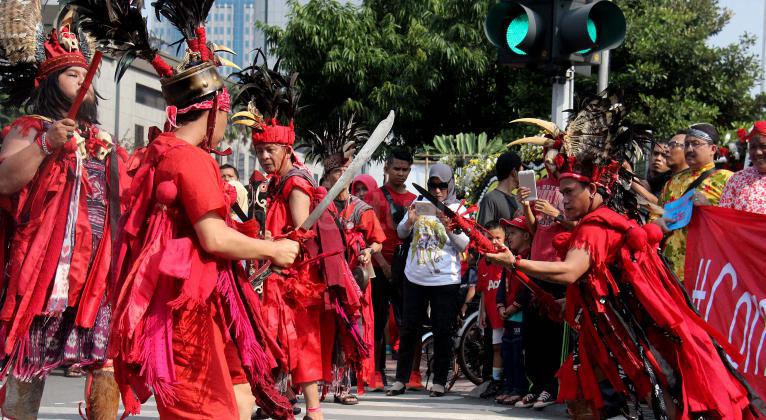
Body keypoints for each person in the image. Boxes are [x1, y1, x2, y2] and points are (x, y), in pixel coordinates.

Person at [489, 95, 756, 419]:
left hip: (634, 325)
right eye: (562, 192)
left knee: (658, 390)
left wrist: (514, 263)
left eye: (570, 192)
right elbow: (632, 247)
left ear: (593, 190)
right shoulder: (608, 219)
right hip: (619, 325)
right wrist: (565, 301)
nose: (564, 199)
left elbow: (570, 271)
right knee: (637, 391)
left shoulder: (595, 226)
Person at [100, 5, 296, 419]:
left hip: (180, 299)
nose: (226, 127)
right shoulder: (190, 159)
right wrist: (273, 250)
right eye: (225, 115)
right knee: (204, 411)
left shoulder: (160, 150)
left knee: (223, 398)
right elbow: (213, 237)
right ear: (214, 111)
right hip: (186, 305)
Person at [0, 15, 125, 418]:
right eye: (72, 74)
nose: (82, 81)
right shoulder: (31, 127)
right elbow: (4, 180)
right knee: (29, 362)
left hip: (97, 272)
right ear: (50, 82)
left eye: (85, 74)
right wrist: (46, 144)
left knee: (106, 362)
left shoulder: (103, 140)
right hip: (46, 270)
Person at [233, 59, 365, 420]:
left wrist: (277, 243)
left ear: (286, 149)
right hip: (278, 269)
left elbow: (300, 231)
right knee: (277, 339)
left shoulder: (294, 183)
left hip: (294, 277)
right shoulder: (280, 180)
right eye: (260, 150)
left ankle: (313, 410)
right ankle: (278, 399)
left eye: (270, 150)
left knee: (297, 340)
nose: (264, 156)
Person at [314, 116, 386, 404]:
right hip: (325, 275)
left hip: (354, 278)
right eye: (337, 171)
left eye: (346, 170)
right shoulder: (319, 204)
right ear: (328, 175)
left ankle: (343, 387)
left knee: (349, 330)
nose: (342, 175)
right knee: (324, 330)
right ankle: (319, 385)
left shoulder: (361, 208)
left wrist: (369, 251)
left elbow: (378, 241)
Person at [386, 163, 469, 398]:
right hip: (415, 277)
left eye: (442, 186)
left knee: (442, 330)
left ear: (450, 184)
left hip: (445, 280)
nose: (437, 190)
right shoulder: (418, 202)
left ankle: (439, 381)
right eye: (433, 185)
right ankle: (401, 379)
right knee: (408, 329)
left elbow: (464, 245)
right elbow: (401, 233)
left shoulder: (458, 209)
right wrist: (410, 221)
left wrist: (448, 226)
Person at [514, 161, 569, 410]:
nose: (548, 160)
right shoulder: (541, 184)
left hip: (559, 269)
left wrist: (556, 213)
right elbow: (534, 229)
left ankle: (552, 387)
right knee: (532, 333)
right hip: (537, 266)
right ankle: (536, 387)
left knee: (553, 336)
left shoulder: (572, 186)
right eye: (546, 154)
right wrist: (526, 206)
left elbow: (582, 226)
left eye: (554, 153)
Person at [365, 149, 416, 390]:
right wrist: (384, 265)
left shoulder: (415, 200)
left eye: (405, 169)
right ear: (386, 169)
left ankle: (411, 373)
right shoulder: (373, 197)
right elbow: (367, 234)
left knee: (409, 321)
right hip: (378, 266)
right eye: (397, 168)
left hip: (406, 268)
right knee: (377, 320)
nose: (401, 173)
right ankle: (376, 372)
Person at [656, 123, 733, 282]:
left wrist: (709, 207)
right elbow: (656, 213)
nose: (689, 149)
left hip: (703, 267)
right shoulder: (673, 181)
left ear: (713, 149)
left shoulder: (727, 179)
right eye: (687, 144)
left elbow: (734, 223)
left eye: (696, 144)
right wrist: (657, 223)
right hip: (667, 264)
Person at [494, 216, 532, 406]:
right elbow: (502, 284)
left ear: (526, 235)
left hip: (520, 316)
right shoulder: (511, 257)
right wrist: (501, 305)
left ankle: (519, 389)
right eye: (508, 233)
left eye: (513, 233)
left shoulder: (529, 259)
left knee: (518, 354)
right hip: (508, 315)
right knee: (507, 353)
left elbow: (528, 287)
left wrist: (514, 306)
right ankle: (509, 387)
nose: (509, 236)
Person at [474, 221, 508, 399]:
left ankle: (510, 382)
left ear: (505, 239)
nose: (493, 241)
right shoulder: (482, 262)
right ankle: (495, 381)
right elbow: (483, 290)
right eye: (489, 238)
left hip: (508, 313)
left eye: (497, 238)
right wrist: (483, 312)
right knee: (495, 348)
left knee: (509, 348)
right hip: (492, 315)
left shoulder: (508, 260)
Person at [719, 121, 766, 214]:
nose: (758, 152)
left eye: (764, 146)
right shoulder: (737, 179)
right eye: (753, 147)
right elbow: (724, 216)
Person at [478, 152, 523, 225]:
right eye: (522, 171)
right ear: (514, 172)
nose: (523, 174)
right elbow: (483, 230)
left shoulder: (519, 200)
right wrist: (513, 223)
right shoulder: (490, 199)